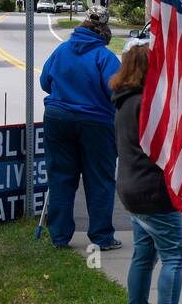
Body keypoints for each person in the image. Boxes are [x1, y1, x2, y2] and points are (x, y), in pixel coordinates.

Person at [111, 44, 182, 304]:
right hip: (153, 190)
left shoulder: (123, 102)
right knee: (176, 255)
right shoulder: (148, 105)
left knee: (144, 256)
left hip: (130, 187)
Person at [39, 14, 122, 250]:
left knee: (61, 177)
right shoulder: (105, 57)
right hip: (95, 122)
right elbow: (116, 92)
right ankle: (102, 236)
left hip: (57, 118)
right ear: (103, 36)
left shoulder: (61, 51)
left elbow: (45, 82)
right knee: (99, 179)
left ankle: (59, 236)